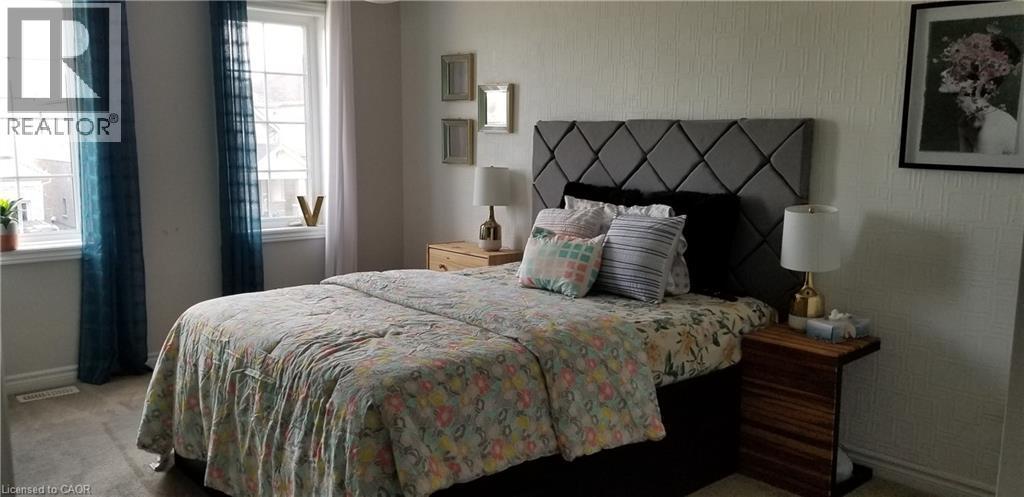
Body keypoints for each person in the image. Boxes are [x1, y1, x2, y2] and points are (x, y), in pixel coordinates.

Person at [937, 29, 1022, 154]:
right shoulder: (966, 121)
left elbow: (981, 173)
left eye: (955, 69)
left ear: (976, 81)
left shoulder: (991, 130)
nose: (943, 73)